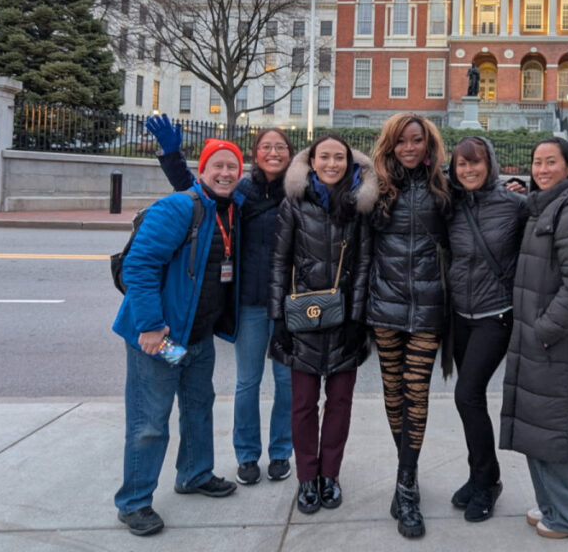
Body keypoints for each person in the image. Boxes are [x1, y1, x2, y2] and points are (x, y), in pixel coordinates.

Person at [145, 115, 294, 486]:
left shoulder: (300, 191)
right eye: (266, 146)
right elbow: (194, 190)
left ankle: (281, 452)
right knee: (248, 382)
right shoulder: (239, 193)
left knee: (288, 382)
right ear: (255, 155)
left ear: (290, 155)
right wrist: (171, 155)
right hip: (249, 304)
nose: (273, 152)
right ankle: (247, 455)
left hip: (289, 304)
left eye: (280, 147)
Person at [112, 138, 245, 537]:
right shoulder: (179, 207)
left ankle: (194, 474)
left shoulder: (230, 210)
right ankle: (134, 502)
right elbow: (139, 265)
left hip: (199, 337)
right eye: (217, 166)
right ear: (202, 171)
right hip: (161, 337)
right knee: (150, 421)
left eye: (232, 167)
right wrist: (150, 326)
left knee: (198, 407)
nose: (225, 173)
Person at [500, 137, 568, 540]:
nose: (542, 169)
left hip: (556, 345)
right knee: (540, 430)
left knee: (555, 432)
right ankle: (554, 504)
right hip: (542, 343)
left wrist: (545, 329)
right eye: (536, 163)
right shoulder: (547, 207)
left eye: (551, 163)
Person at [267, 135, 377, 514]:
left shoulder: (360, 205)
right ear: (312, 162)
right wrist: (278, 317)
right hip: (304, 317)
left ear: (349, 162)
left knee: (340, 404)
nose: (332, 164)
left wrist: (357, 319)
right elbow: (280, 262)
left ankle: (330, 475)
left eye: (339, 158)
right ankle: (306, 478)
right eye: (324, 157)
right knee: (302, 405)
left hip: (344, 316)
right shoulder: (294, 205)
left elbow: (364, 265)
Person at [368, 112, 451, 538]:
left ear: (428, 143)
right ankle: (409, 476)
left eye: (417, 140)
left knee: (417, 393)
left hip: (429, 308)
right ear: (390, 144)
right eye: (402, 141)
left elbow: (483, 206)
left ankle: (405, 487)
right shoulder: (376, 186)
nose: (410, 147)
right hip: (385, 306)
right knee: (393, 394)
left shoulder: (444, 185)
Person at [446, 136, 527, 523]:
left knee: (467, 395)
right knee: (470, 401)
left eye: (475, 163)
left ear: (489, 164)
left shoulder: (514, 205)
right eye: (461, 165)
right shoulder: (452, 204)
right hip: (461, 315)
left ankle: (488, 481)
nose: (468, 171)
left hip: (496, 314)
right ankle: (477, 474)